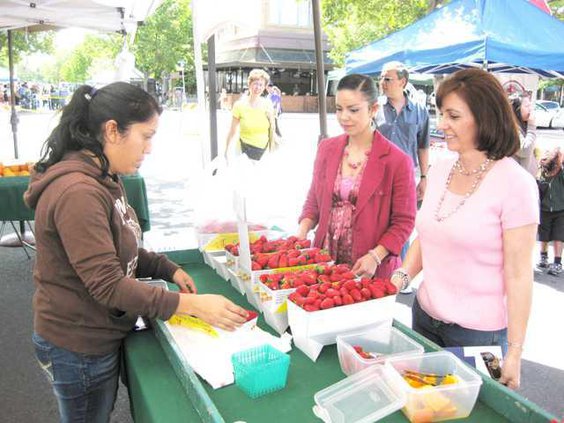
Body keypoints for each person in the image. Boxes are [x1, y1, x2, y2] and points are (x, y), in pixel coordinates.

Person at [24, 82, 248, 422]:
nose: (150, 148)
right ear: (113, 130)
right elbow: (108, 285)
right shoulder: (78, 193)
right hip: (77, 342)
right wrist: (191, 305)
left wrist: (165, 268)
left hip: (94, 333)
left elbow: (119, 246)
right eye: (146, 136)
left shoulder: (105, 175)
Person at [390, 68, 538, 390]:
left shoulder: (517, 185)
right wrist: (399, 278)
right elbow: (429, 235)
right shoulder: (441, 169)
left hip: (477, 335)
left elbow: (518, 275)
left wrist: (515, 351)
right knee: (423, 406)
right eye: (442, 114)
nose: (442, 124)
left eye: (453, 116)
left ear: (484, 118)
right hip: (424, 317)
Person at [297, 74, 416, 278]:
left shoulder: (397, 161)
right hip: (323, 263)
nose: (344, 117)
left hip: (370, 270)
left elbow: (404, 222)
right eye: (339, 109)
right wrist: (302, 231)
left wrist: (376, 256)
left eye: (353, 110)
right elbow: (314, 200)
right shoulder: (327, 148)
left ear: (373, 109)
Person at [376, 61, 430, 202]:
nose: (382, 82)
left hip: (405, 178)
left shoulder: (419, 111)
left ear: (402, 81)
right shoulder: (373, 108)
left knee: (402, 220)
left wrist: (424, 178)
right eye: (381, 78)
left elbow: (423, 146)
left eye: (387, 79)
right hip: (376, 177)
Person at [224, 69, 275, 161]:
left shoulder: (268, 105)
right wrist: (226, 150)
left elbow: (272, 129)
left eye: (261, 85)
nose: (258, 87)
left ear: (264, 88)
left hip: (263, 152)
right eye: (255, 83)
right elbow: (232, 130)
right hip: (243, 150)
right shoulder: (239, 105)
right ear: (249, 84)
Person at [536, 147, 564, 275]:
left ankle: (557, 262)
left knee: (559, 236)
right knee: (544, 236)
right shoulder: (542, 173)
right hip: (544, 210)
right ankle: (543, 256)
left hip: (560, 210)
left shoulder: (562, 173)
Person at [511, 95, 538, 177]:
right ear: (517, 109)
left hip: (527, 180)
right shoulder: (511, 128)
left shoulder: (523, 125)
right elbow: (524, 150)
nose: (530, 109)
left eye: (530, 105)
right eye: (526, 106)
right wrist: (531, 125)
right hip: (518, 181)